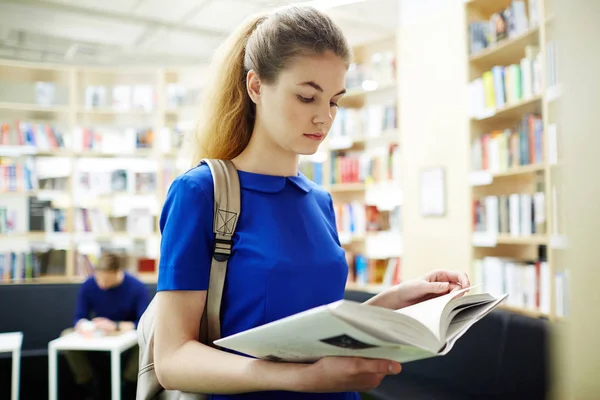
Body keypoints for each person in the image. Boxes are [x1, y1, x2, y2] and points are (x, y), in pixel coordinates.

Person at [153, 5, 470, 400]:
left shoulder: (318, 200)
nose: (324, 118)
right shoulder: (200, 192)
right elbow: (171, 360)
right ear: (256, 86)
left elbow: (310, 327)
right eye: (307, 97)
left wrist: (396, 300)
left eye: (334, 101)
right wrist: (294, 378)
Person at [63, 252, 150, 400]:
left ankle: (128, 386)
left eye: (106, 280)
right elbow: (79, 317)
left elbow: (143, 323)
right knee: (66, 335)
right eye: (98, 279)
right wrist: (84, 325)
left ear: (118, 273)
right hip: (98, 333)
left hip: (126, 333)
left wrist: (115, 326)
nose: (101, 284)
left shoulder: (136, 287)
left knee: (146, 340)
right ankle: (89, 384)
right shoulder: (89, 285)